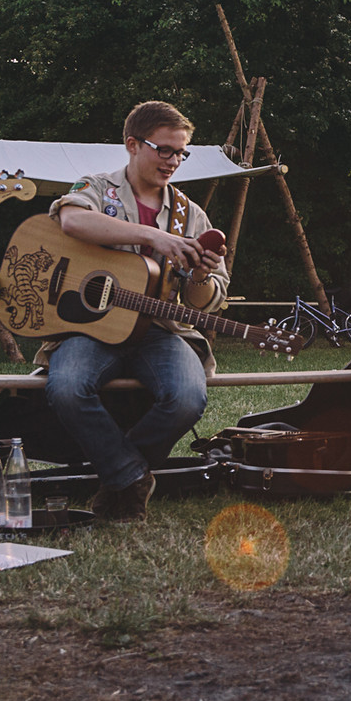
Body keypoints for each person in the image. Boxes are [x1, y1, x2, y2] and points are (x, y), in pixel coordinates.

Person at [41, 101, 229, 523]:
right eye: (165, 150)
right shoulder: (96, 186)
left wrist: (199, 276)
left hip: (159, 329)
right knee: (67, 388)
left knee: (186, 397)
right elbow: (71, 222)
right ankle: (130, 477)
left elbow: (208, 300)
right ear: (132, 144)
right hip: (89, 327)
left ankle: (120, 477)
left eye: (181, 152)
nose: (174, 161)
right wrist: (153, 237)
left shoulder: (191, 214)